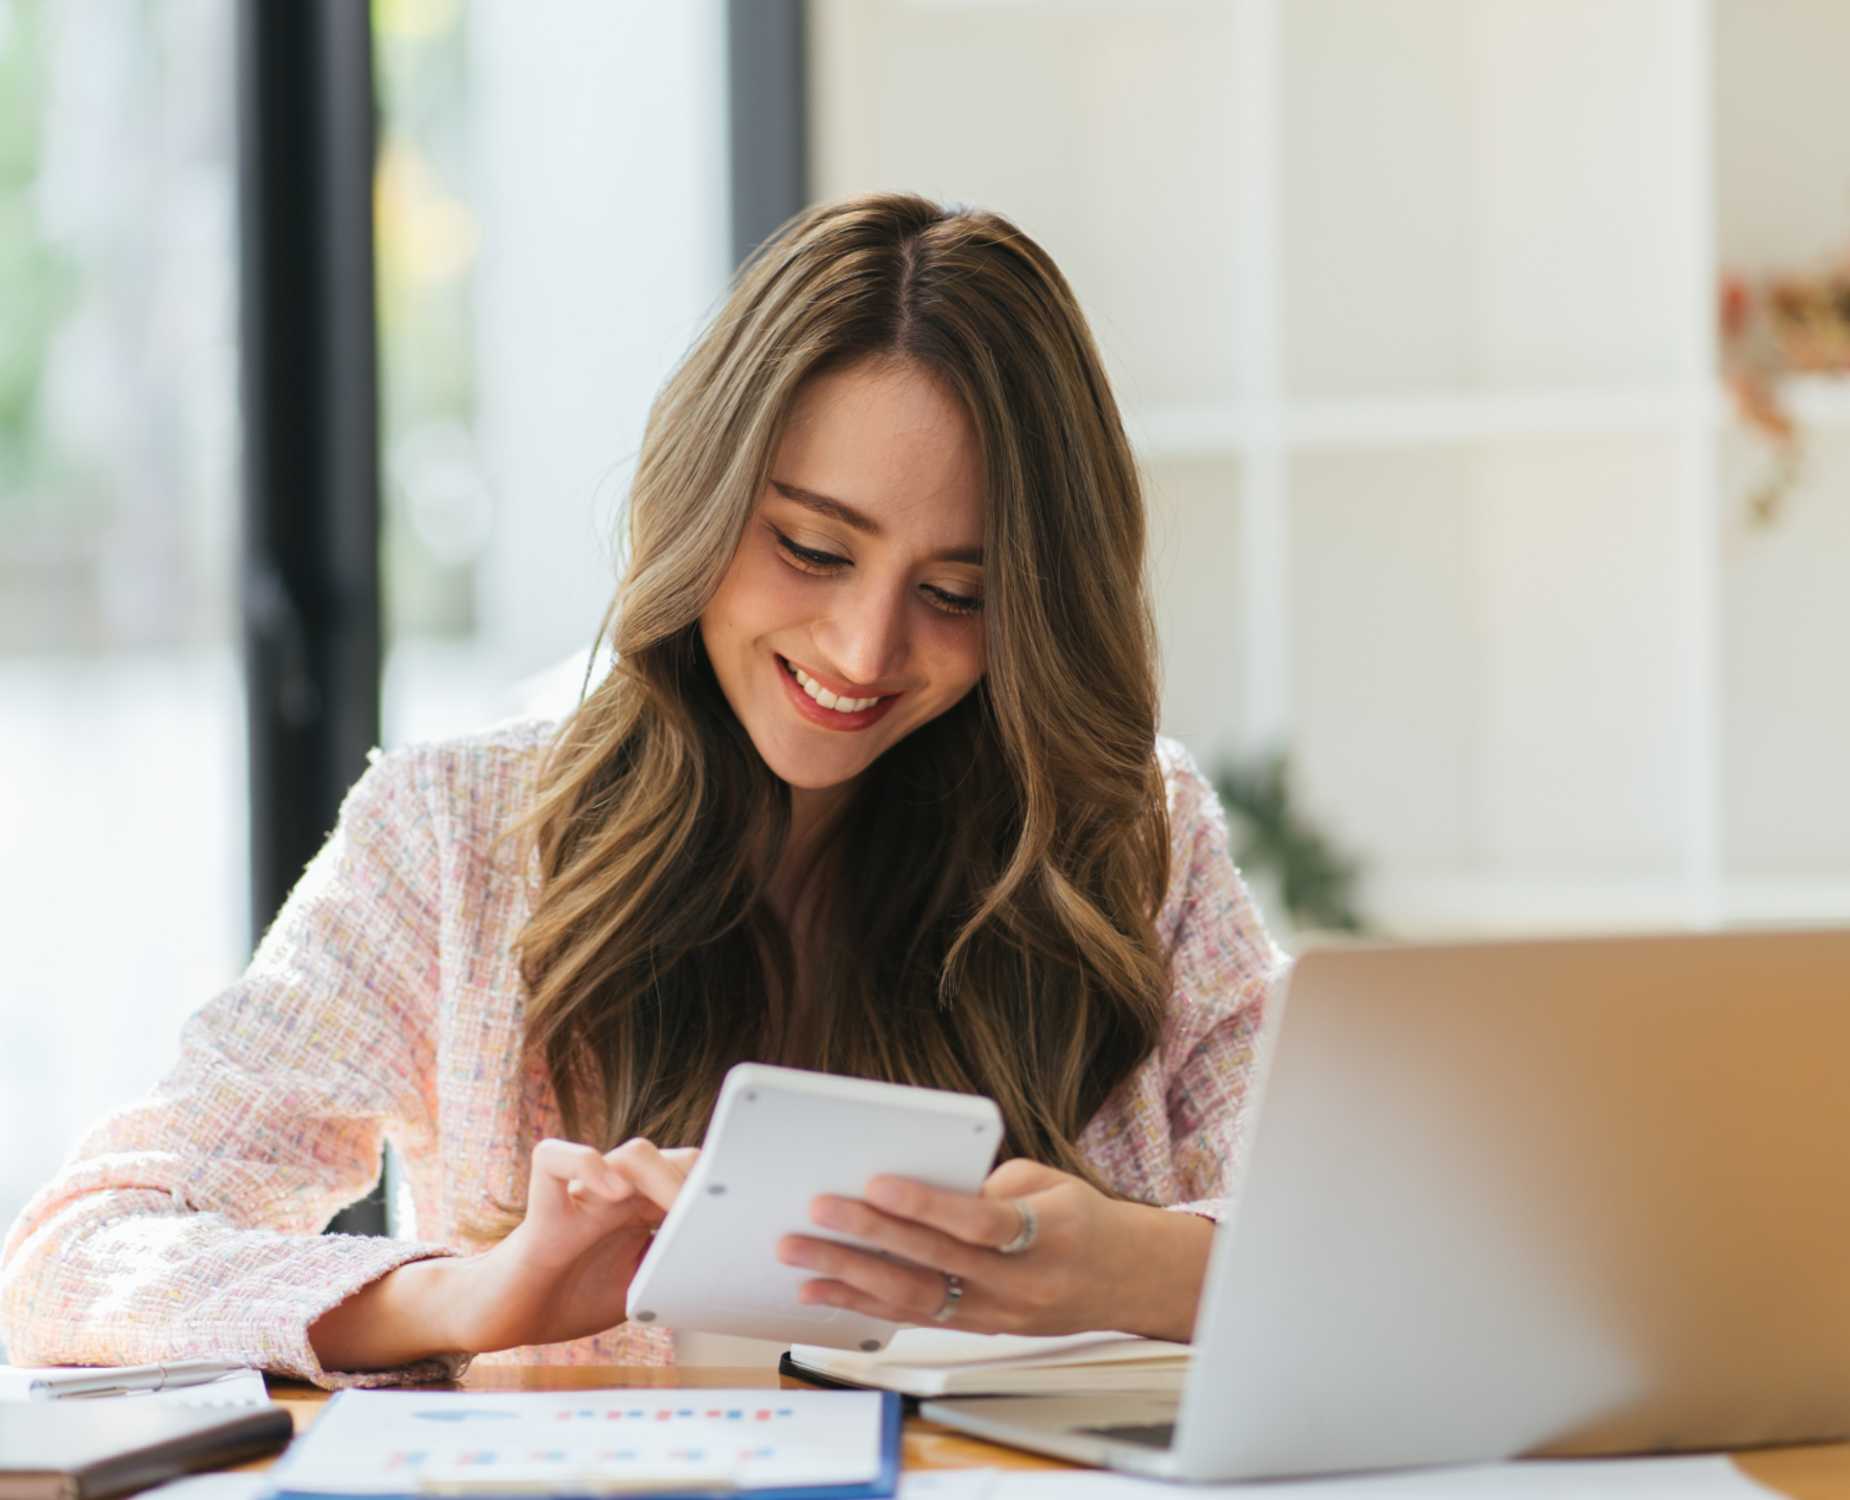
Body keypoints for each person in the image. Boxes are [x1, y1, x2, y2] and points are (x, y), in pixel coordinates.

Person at [0, 192, 1281, 1388]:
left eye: (958, 593)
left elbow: (1380, 1247)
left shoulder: (1127, 841)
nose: (863, 651)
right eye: (811, 549)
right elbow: (85, 1255)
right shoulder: (458, 841)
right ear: (701, 500)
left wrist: (1144, 1267)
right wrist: (469, 1296)